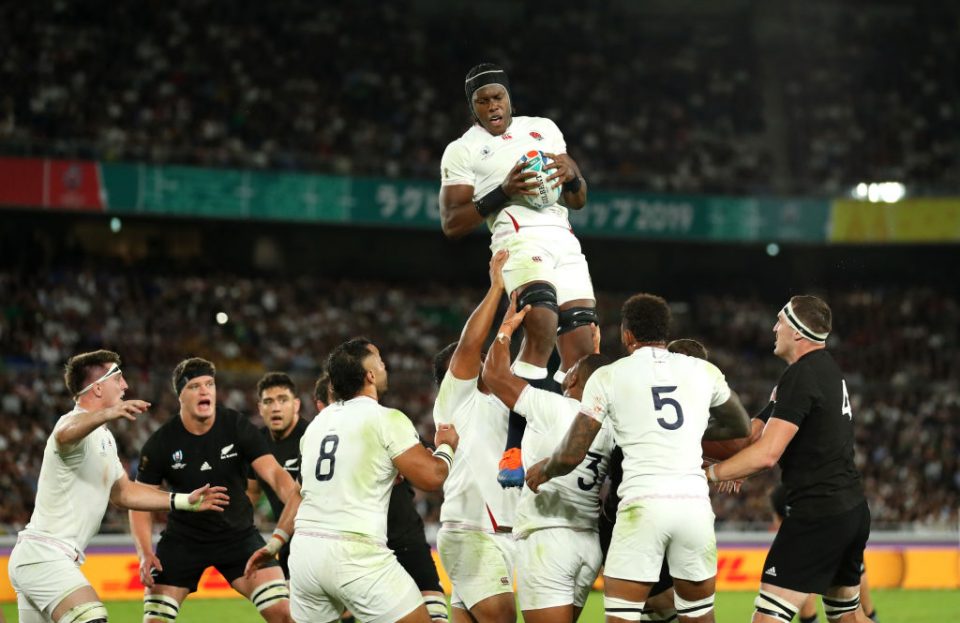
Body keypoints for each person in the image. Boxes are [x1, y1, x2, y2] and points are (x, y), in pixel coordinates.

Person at [526, 293, 751, 623]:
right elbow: (740, 425)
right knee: (699, 616)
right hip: (694, 508)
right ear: (665, 331)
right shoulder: (703, 371)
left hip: (642, 507)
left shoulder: (610, 376)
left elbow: (573, 452)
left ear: (626, 333)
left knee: (623, 615)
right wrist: (688, 432)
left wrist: (543, 471)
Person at [439, 62, 597, 487]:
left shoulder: (544, 128)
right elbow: (452, 222)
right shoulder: (463, 150)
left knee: (584, 352)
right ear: (472, 107)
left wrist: (574, 175)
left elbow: (578, 199)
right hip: (517, 240)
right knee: (540, 322)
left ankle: (567, 446)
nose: (492, 106)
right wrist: (504, 191)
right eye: (483, 101)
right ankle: (515, 443)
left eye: (498, 98)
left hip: (563, 239)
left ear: (509, 98)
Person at [247, 338, 459, 623]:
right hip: (355, 552)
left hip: (306, 554)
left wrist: (275, 543)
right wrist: (446, 446)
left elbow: (302, 491)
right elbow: (432, 477)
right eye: (380, 362)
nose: (385, 367)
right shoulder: (387, 419)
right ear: (370, 375)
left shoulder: (317, 426)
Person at [7, 350, 228, 623]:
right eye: (118, 378)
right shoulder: (70, 423)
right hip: (45, 555)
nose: (125, 385)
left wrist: (184, 501)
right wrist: (110, 412)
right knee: (93, 618)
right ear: (98, 388)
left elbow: (124, 493)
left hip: (41, 558)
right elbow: (64, 435)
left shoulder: (104, 439)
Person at [708, 296, 872, 623]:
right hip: (850, 509)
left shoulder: (801, 376)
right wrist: (741, 461)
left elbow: (768, 454)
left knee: (768, 617)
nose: (774, 327)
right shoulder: (824, 369)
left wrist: (710, 474)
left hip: (818, 513)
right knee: (848, 618)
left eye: (780, 321)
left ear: (797, 333)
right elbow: (755, 432)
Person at [130, 358, 300, 623]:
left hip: (238, 537)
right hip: (182, 542)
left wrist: (302, 510)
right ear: (181, 396)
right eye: (195, 386)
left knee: (284, 614)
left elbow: (276, 475)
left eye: (209, 384)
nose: (205, 391)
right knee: (154, 621)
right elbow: (139, 500)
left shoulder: (236, 425)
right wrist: (144, 553)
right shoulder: (161, 443)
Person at [481, 304, 614, 623]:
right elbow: (600, 383)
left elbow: (494, 375)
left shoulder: (553, 406)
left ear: (574, 378)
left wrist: (506, 330)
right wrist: (594, 357)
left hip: (548, 538)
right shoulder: (613, 426)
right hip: (588, 543)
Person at [315, 372, 449, 623]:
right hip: (358, 545)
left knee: (435, 615)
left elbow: (424, 468)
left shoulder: (384, 423)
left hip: (405, 536)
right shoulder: (316, 442)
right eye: (336, 400)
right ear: (321, 407)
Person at [432, 250, 520, 623]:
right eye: (478, 361)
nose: (484, 362)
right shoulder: (455, 401)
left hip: (498, 534)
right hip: (474, 530)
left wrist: (510, 323)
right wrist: (497, 288)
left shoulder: (503, 405)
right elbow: (469, 346)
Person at [247, 372, 309, 579]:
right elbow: (251, 493)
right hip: (285, 543)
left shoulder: (312, 437)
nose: (275, 408)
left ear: (296, 404)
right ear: (260, 408)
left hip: (318, 539)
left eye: (283, 400)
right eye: (268, 401)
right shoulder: (256, 443)